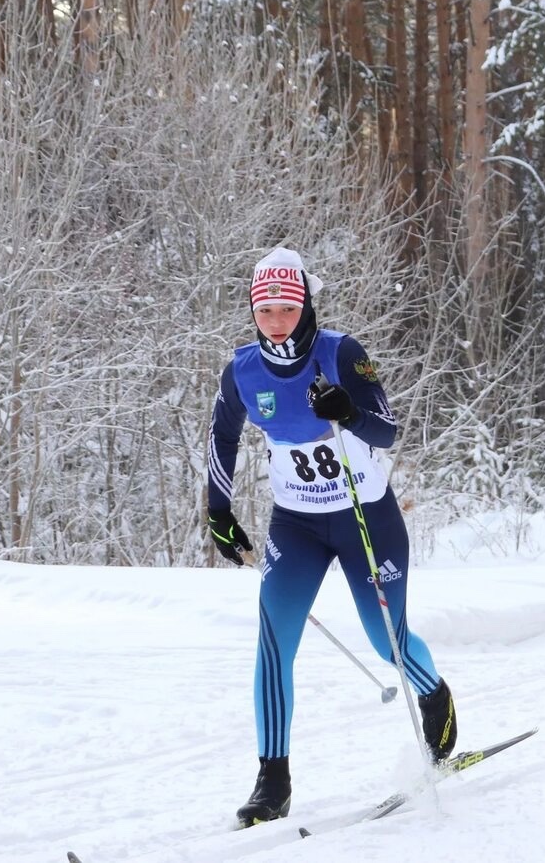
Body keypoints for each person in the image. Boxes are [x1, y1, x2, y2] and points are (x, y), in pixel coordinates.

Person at [205, 247, 457, 827]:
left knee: (383, 638)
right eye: (264, 308)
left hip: (364, 516)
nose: (274, 320)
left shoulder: (340, 352)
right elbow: (220, 438)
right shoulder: (242, 369)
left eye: (286, 308)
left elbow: (387, 430)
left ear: (305, 305)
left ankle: (435, 695)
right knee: (274, 640)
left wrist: (348, 411)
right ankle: (273, 778)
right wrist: (219, 509)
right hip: (295, 523)